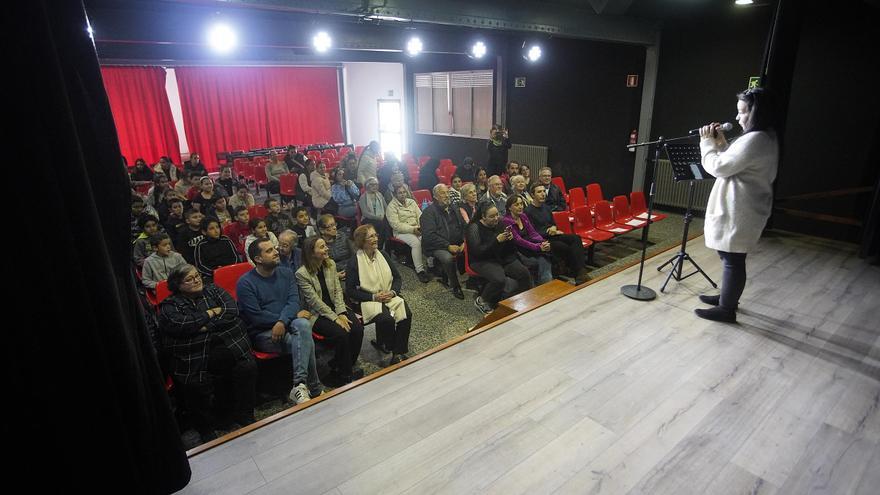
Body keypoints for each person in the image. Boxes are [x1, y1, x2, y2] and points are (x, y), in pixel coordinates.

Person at [695, 87, 779, 323]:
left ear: (756, 113)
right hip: (746, 208)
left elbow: (720, 167)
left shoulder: (756, 139)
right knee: (731, 257)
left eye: (742, 112)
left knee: (732, 259)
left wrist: (706, 144)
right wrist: (721, 144)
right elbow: (736, 163)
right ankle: (726, 297)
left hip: (740, 210)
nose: (737, 117)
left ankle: (726, 309)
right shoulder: (766, 136)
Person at [159, 264, 256, 442]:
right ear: (178, 285)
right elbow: (181, 325)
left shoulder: (213, 290)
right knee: (195, 383)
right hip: (194, 354)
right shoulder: (170, 305)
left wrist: (202, 327)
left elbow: (231, 311)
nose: (196, 280)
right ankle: (205, 428)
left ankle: (243, 414)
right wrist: (212, 312)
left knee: (246, 367)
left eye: (197, 276)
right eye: (189, 279)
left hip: (226, 344)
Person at [237, 238, 322, 404]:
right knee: (305, 339)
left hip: (288, 325)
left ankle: (299, 385)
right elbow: (256, 316)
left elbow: (293, 302)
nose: (276, 252)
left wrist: (282, 322)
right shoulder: (245, 283)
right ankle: (315, 387)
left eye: (274, 248)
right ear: (258, 259)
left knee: (303, 325)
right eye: (269, 251)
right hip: (263, 333)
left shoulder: (286, 272)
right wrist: (283, 320)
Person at [296, 236, 365, 386]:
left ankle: (343, 364)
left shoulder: (330, 264)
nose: (327, 248)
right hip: (317, 314)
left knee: (357, 329)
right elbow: (315, 302)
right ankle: (344, 375)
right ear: (311, 252)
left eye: (325, 245)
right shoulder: (302, 274)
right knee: (341, 333)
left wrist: (341, 312)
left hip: (335, 307)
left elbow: (338, 292)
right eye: (321, 247)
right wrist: (335, 318)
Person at [346, 225, 412, 367]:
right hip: (369, 299)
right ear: (362, 241)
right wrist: (374, 297)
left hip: (389, 294)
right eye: (371, 236)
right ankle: (390, 345)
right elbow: (350, 290)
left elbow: (397, 278)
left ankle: (397, 352)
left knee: (406, 314)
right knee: (386, 319)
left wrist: (393, 292)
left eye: (376, 235)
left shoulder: (383, 255)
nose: (376, 238)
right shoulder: (354, 262)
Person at [466, 201, 533, 313]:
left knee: (524, 273)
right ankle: (482, 300)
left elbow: (509, 249)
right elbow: (478, 252)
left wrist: (510, 239)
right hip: (482, 260)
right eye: (492, 216)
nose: (496, 218)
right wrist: (496, 241)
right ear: (483, 216)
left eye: (497, 214)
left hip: (501, 256)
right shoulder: (474, 228)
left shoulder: (501, 223)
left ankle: (521, 300)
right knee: (499, 279)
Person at [525, 181, 589, 284]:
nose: (543, 194)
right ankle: (578, 274)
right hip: (542, 239)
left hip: (553, 234)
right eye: (539, 192)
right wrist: (548, 231)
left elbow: (553, 223)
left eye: (543, 191)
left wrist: (554, 227)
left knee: (576, 238)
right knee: (565, 247)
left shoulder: (546, 207)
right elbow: (532, 233)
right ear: (532, 195)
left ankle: (580, 273)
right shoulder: (528, 211)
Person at [420, 184, 466, 299]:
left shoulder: (454, 208)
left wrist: (465, 241)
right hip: (438, 246)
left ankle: (475, 279)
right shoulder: (428, 213)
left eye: (447, 192)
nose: (446, 195)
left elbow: (464, 226)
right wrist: (448, 246)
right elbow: (429, 236)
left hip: (458, 242)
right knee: (448, 258)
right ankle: (455, 286)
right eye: (442, 193)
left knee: (475, 246)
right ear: (435, 197)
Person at [502, 195, 553, 284]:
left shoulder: (523, 216)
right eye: (517, 204)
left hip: (530, 246)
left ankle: (546, 284)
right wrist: (538, 247)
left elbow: (533, 233)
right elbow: (518, 241)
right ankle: (543, 284)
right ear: (509, 207)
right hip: (518, 250)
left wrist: (543, 242)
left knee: (544, 258)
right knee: (540, 259)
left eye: (521, 204)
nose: (520, 206)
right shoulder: (506, 221)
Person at [385, 184, 430, 283]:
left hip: (417, 228)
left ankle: (431, 265)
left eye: (404, 192)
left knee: (428, 238)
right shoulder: (391, 206)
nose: (402, 194)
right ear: (395, 194)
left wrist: (421, 227)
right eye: (400, 193)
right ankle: (420, 270)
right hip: (401, 232)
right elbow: (396, 225)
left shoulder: (411, 202)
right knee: (416, 243)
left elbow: (420, 216)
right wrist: (413, 230)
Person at [194, 217, 240, 281]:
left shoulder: (226, 240)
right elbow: (200, 266)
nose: (216, 231)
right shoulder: (201, 245)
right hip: (212, 276)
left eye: (217, 227)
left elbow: (236, 258)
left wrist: (227, 269)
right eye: (211, 228)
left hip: (231, 271)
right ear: (204, 232)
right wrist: (216, 272)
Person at [358, 177, 389, 250]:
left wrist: (386, 215)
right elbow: (365, 213)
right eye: (372, 185)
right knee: (382, 224)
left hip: (380, 217)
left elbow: (386, 207)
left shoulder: (380, 195)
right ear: (367, 186)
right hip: (368, 219)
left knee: (388, 223)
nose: (374, 186)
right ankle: (380, 247)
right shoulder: (363, 197)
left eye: (376, 184)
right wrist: (377, 217)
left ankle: (386, 246)